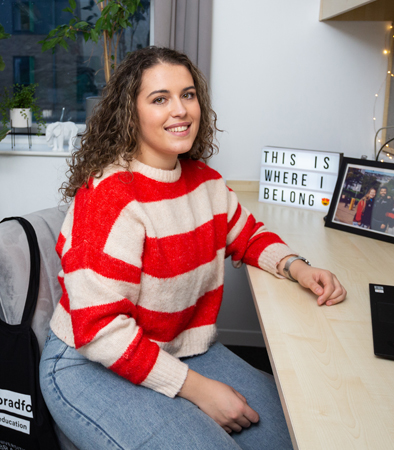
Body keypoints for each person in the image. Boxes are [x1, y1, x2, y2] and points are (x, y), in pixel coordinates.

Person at [39, 47, 347, 450]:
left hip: (176, 344)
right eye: (159, 98)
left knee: (297, 431)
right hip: (87, 361)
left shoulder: (206, 182)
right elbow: (99, 331)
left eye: (188, 94)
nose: (180, 109)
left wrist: (296, 267)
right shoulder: (110, 197)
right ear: (129, 113)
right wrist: (198, 390)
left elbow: (247, 234)